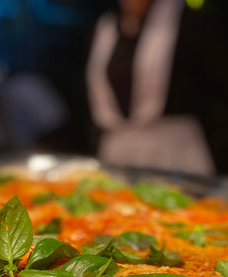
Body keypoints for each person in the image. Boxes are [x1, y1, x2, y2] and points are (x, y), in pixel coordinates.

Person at [86, 0, 215, 176]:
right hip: (117, 147)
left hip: (174, 150)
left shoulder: (189, 22)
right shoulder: (107, 25)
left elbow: (220, 91)